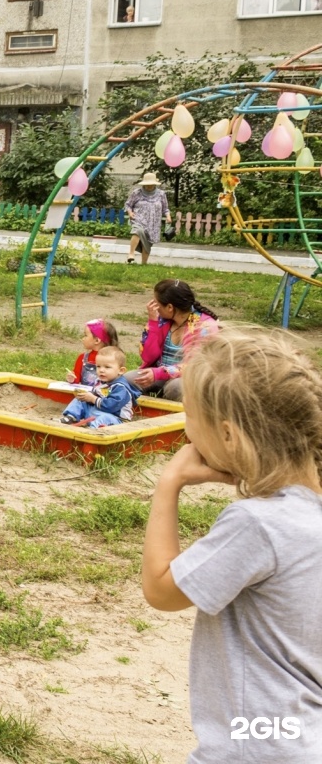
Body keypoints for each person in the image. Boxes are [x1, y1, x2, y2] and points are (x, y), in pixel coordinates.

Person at [141, 326, 322, 762]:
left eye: (190, 419)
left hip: (255, 745)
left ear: (227, 436)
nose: (187, 434)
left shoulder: (258, 524)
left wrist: (169, 484)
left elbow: (163, 591)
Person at [124, 279, 220, 402]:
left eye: (156, 302)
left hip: (188, 377)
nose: (152, 305)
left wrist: (159, 373)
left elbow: (195, 366)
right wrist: (153, 323)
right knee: (127, 379)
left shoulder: (204, 327)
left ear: (170, 307)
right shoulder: (161, 320)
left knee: (176, 387)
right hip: (159, 373)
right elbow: (147, 357)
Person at [61, 346, 137, 427]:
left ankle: (95, 429)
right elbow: (95, 394)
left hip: (115, 418)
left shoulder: (121, 388)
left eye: (107, 367)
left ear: (121, 371)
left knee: (104, 418)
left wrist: (93, 398)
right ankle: (71, 417)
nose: (101, 370)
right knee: (81, 400)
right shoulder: (100, 381)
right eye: (98, 366)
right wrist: (86, 396)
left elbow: (111, 406)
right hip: (98, 411)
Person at [125, 173, 170, 265]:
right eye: (147, 184)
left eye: (151, 184)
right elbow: (128, 205)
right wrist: (130, 213)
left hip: (153, 224)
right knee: (137, 231)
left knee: (147, 243)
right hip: (139, 219)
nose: (149, 186)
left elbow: (165, 208)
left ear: (155, 184)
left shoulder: (161, 194)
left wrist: (168, 216)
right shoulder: (136, 193)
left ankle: (144, 264)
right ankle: (131, 254)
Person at [67, 318, 118, 386]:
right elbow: (76, 379)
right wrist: (72, 379)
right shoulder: (82, 358)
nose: (83, 338)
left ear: (97, 340)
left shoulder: (114, 359)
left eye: (86, 335)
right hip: (85, 395)